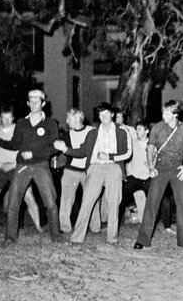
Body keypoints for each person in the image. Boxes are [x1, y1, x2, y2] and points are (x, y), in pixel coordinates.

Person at [0, 88, 62, 242]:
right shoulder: (21, 123)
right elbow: (15, 144)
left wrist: (35, 154)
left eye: (38, 100)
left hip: (41, 165)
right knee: (13, 202)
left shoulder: (50, 123)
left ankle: (56, 235)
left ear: (43, 103)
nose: (34, 103)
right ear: (28, 103)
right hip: (22, 166)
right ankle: (10, 237)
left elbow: (54, 147)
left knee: (50, 201)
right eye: (31, 100)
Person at [54, 102, 130, 245]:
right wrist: (66, 150)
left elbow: (127, 153)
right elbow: (82, 151)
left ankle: (112, 239)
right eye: (101, 114)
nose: (104, 117)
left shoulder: (121, 131)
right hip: (95, 168)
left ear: (112, 114)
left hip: (113, 167)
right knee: (87, 201)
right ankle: (76, 238)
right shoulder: (93, 133)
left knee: (114, 203)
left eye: (107, 114)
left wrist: (110, 157)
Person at [134, 100, 183, 250]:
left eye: (167, 112)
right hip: (160, 166)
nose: (164, 115)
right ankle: (142, 240)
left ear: (175, 114)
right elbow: (149, 148)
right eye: (163, 112)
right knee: (152, 201)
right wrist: (150, 166)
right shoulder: (157, 128)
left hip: (177, 167)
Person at [0, 105, 43, 232]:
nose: (6, 121)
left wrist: (15, 163)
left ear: (13, 118)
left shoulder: (19, 130)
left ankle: (38, 227)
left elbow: (26, 151)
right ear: (0, 118)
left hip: (16, 168)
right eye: (4, 118)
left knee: (29, 196)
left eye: (9, 118)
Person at [57, 108, 94, 234]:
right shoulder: (67, 135)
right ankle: (64, 227)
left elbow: (83, 152)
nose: (67, 122)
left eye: (69, 118)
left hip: (88, 171)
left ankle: (95, 227)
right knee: (66, 199)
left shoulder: (92, 131)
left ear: (78, 118)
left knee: (92, 198)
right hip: (71, 170)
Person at [122, 120, 152, 224]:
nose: (137, 131)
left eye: (140, 129)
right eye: (136, 129)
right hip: (134, 177)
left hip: (148, 178)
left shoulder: (152, 145)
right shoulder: (132, 143)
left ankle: (151, 222)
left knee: (156, 199)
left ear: (147, 131)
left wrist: (151, 165)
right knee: (122, 195)